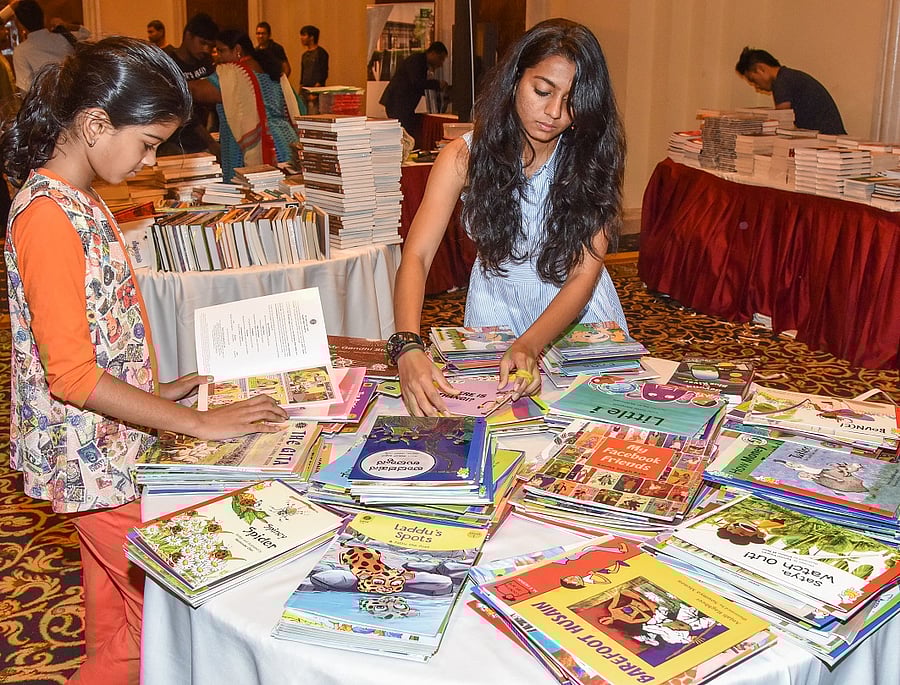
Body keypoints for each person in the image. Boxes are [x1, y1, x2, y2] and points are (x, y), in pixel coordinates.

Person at [0, 37, 287, 684]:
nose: (152, 157)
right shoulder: (48, 216)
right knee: (162, 616)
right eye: (150, 142)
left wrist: (159, 387)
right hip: (93, 462)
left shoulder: (79, 197)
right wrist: (199, 423)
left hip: (109, 452)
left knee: (121, 628)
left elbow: (96, 335)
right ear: (96, 123)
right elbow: (70, 373)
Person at [390, 19, 627, 417]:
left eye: (571, 101)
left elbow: (583, 274)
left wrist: (532, 343)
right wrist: (407, 345)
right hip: (495, 310)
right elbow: (417, 255)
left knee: (586, 430)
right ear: (516, 78)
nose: (554, 113)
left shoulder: (591, 155)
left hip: (575, 312)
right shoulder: (464, 156)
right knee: (493, 427)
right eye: (542, 91)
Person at [189, 29, 300, 181]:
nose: (218, 57)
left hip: (259, 149)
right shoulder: (268, 67)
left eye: (221, 51)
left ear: (238, 50)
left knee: (250, 199)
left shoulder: (235, 73)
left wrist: (168, 83)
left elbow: (197, 91)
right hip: (286, 144)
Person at [735, 47, 846, 135]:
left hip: (827, 142)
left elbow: (782, 124)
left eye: (753, 80)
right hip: (829, 137)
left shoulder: (781, 82)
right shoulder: (788, 76)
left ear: (761, 69)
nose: (756, 87)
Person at [158, 12, 218, 156]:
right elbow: (183, 111)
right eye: (202, 43)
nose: (206, 50)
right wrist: (210, 142)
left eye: (210, 46)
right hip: (174, 141)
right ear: (188, 36)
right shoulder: (168, 63)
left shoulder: (206, 62)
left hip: (202, 139)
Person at [379, 41, 448, 147]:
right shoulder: (417, 61)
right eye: (440, 58)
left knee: (405, 131)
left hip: (401, 104)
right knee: (404, 132)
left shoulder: (420, 62)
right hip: (398, 103)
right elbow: (416, 82)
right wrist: (436, 84)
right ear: (433, 53)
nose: (441, 64)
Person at [12, 0, 89, 92]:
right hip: (75, 93)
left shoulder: (21, 51)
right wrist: (66, 25)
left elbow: (26, 89)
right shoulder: (63, 38)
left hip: (48, 100)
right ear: (44, 17)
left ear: (20, 25)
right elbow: (86, 33)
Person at [298, 24, 328, 113]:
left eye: (304, 35)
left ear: (311, 37)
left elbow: (323, 73)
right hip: (304, 91)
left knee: (313, 115)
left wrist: (315, 92)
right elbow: (302, 74)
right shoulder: (304, 55)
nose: (301, 38)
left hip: (315, 92)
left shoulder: (321, 53)